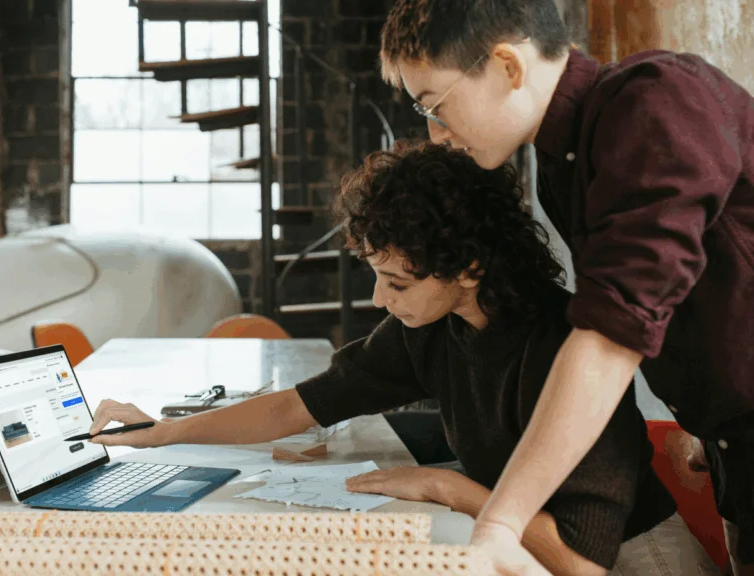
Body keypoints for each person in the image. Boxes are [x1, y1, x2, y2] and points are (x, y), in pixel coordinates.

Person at [86, 141, 717, 576]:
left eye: (397, 282)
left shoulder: (558, 346)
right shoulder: (433, 326)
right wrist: (162, 433)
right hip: (524, 548)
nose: (378, 299)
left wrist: (447, 487)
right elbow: (298, 406)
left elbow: (581, 561)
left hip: (635, 559)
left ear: (468, 268)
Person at [376, 1, 754, 574]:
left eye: (436, 104)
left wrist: (501, 523)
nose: (436, 133)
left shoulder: (655, 103)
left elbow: (612, 335)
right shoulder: (565, 161)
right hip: (736, 459)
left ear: (507, 65)